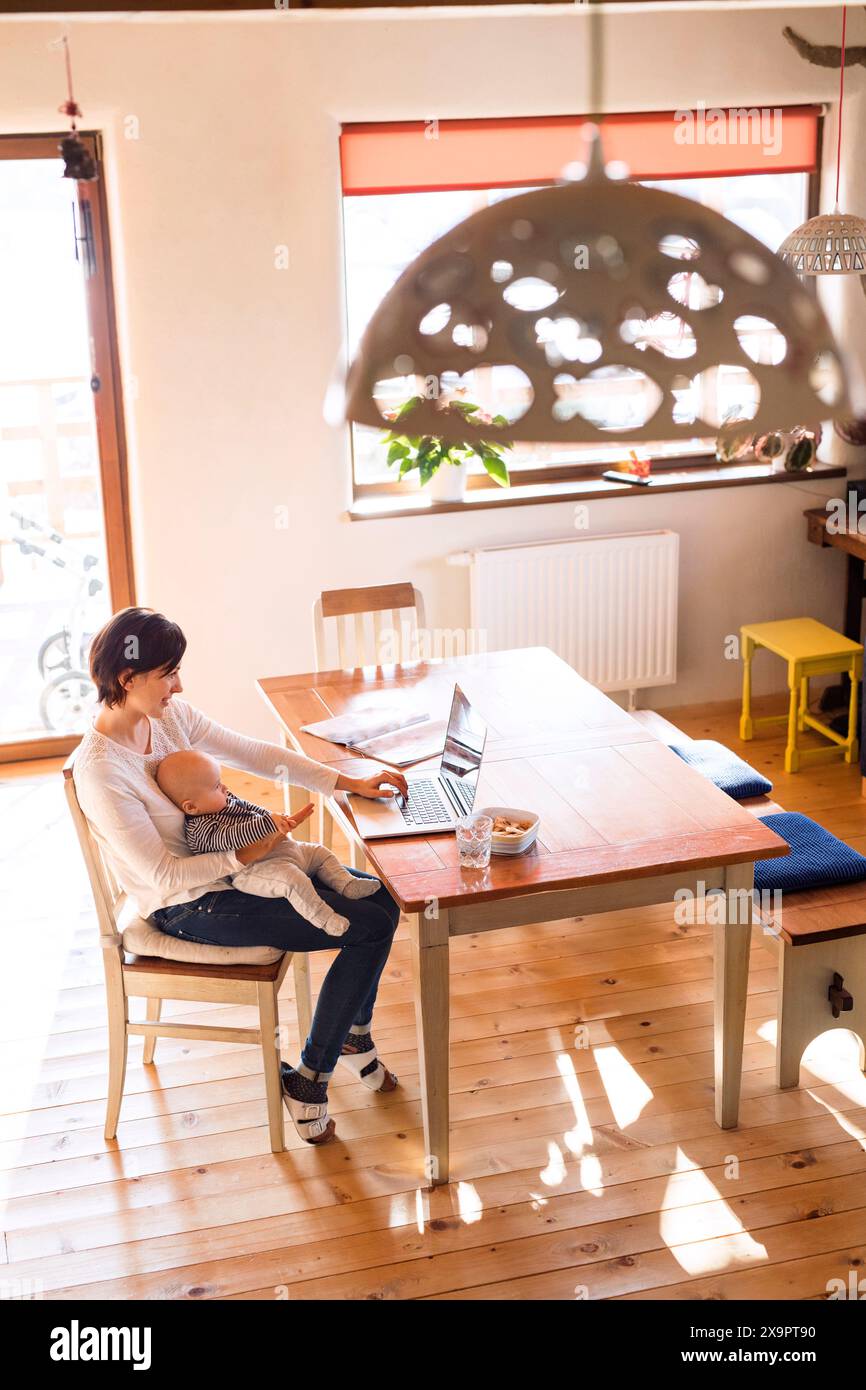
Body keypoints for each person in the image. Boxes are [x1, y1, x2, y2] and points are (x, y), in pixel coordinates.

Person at [73, 607, 408, 1146]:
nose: (178, 685)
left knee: (385, 901)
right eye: (168, 673)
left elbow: (254, 754)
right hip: (186, 905)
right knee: (367, 925)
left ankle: (351, 1036)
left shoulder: (167, 719)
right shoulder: (100, 770)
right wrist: (247, 856)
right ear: (126, 678)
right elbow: (161, 872)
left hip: (237, 876)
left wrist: (348, 782)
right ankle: (313, 1079)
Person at [155, 747, 381, 938]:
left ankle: (346, 884)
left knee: (320, 853)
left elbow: (253, 809)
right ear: (191, 807)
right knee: (293, 881)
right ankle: (323, 918)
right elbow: (233, 837)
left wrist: (277, 818)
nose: (224, 788)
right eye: (216, 786)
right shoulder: (200, 829)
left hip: (284, 849)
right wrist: (267, 825)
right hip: (256, 869)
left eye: (221, 782)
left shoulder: (225, 801)